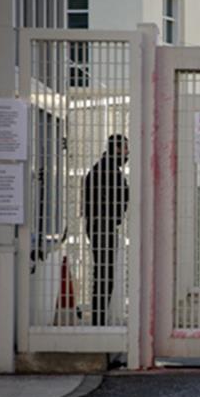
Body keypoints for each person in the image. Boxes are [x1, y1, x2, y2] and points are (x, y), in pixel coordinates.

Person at [83, 134, 129, 326]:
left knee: (104, 275)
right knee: (104, 276)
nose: (127, 153)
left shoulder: (104, 168)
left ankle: (99, 321)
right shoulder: (107, 170)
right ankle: (98, 323)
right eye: (125, 149)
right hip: (102, 227)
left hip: (101, 226)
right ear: (116, 149)